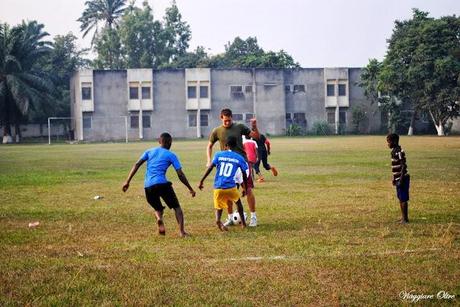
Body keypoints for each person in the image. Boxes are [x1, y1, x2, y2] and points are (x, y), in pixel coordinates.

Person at [122, 132, 196, 237]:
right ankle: (182, 232)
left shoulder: (149, 151)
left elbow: (137, 164)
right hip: (162, 184)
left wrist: (127, 181)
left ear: (159, 141)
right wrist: (190, 188)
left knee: (158, 208)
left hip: (148, 186)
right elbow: (180, 174)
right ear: (170, 143)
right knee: (177, 208)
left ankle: (159, 218)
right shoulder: (171, 155)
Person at [206, 108, 260, 227]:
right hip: (228, 165)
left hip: (242, 164)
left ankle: (253, 217)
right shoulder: (217, 131)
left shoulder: (239, 127)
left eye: (229, 120)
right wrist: (209, 160)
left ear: (232, 118)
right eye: (225, 121)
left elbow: (256, 136)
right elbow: (209, 146)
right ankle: (230, 218)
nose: (227, 123)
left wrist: (254, 126)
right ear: (221, 118)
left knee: (248, 189)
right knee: (228, 192)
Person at [199, 136, 248, 231]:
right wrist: (245, 188)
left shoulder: (218, 155)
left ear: (225, 146)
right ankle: (243, 224)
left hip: (218, 187)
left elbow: (210, 167)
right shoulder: (239, 158)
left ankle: (218, 220)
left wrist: (202, 180)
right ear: (236, 146)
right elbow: (244, 174)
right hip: (231, 187)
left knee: (219, 206)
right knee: (238, 203)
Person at [387, 133, 410, 224]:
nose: (388, 144)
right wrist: (394, 178)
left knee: (403, 198)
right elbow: (395, 167)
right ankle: (403, 217)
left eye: (389, 142)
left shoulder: (399, 151)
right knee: (400, 198)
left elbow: (403, 165)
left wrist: (400, 179)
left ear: (394, 141)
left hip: (403, 179)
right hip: (398, 179)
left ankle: (405, 219)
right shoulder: (394, 151)